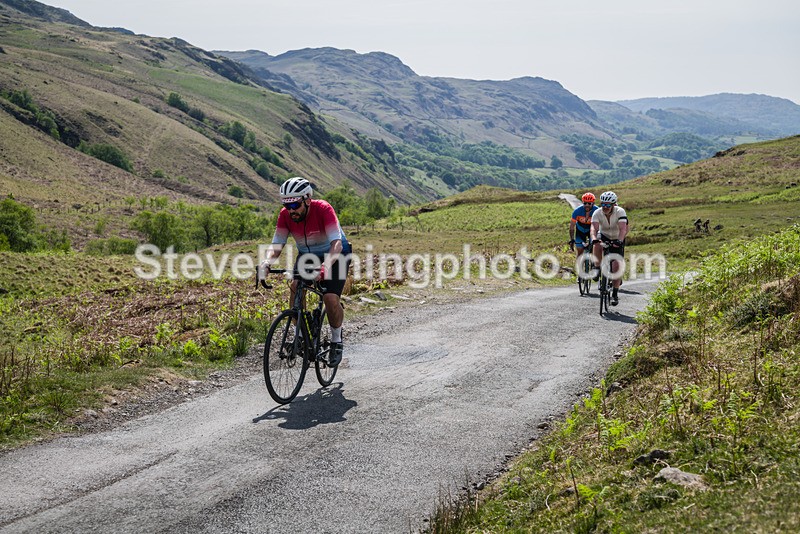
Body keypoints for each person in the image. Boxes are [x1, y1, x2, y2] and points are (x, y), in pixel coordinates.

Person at [258, 177, 352, 366]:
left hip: (335, 254)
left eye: (295, 204)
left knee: (330, 298)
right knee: (295, 286)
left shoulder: (323, 209)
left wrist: (325, 267)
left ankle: (336, 340)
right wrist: (266, 262)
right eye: (286, 205)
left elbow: (336, 244)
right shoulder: (285, 215)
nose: (291, 210)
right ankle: (300, 336)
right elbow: (277, 245)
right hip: (307, 255)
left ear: (308, 199)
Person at [590, 191, 628, 306]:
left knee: (616, 267)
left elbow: (623, 229)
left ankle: (615, 294)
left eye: (608, 205)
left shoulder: (620, 211)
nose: (605, 207)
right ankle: (597, 267)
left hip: (617, 237)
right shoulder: (597, 212)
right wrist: (593, 238)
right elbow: (593, 228)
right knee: (597, 244)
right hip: (604, 235)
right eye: (603, 204)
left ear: (613, 204)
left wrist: (620, 241)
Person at [569, 192, 598, 270]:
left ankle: (594, 266)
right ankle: (580, 271)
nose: (587, 205)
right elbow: (572, 226)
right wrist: (572, 240)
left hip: (592, 231)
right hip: (580, 231)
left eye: (589, 203)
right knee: (580, 251)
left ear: (593, 203)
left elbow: (601, 224)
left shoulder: (597, 211)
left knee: (593, 248)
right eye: (585, 203)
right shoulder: (577, 211)